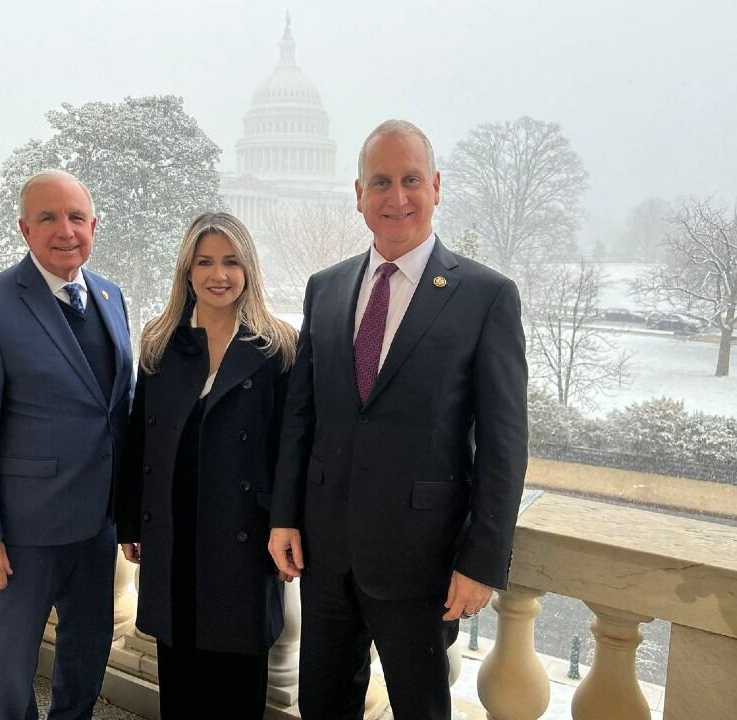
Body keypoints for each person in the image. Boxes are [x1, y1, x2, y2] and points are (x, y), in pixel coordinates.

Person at [268, 120, 528, 720]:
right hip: (327, 552)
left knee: (421, 709)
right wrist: (285, 515)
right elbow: (302, 416)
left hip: (424, 560)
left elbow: (503, 444)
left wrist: (481, 560)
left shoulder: (485, 296)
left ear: (435, 186)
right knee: (323, 704)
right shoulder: (325, 289)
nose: (397, 197)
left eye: (411, 179)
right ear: (358, 195)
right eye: (380, 182)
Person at [0, 169, 133, 719]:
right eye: (48, 217)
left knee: (88, 645)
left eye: (76, 217)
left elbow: (116, 410)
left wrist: (129, 516)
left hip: (98, 523)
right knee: (9, 660)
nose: (65, 230)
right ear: (24, 229)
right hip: (24, 532)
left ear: (93, 225)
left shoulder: (109, 295)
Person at [117, 211, 296, 719]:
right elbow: (138, 439)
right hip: (173, 532)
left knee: (238, 686)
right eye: (205, 262)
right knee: (180, 679)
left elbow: (291, 450)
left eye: (231, 261)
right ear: (187, 272)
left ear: (249, 270)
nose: (219, 274)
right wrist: (131, 521)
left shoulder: (276, 346)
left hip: (244, 535)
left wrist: (288, 524)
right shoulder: (161, 341)